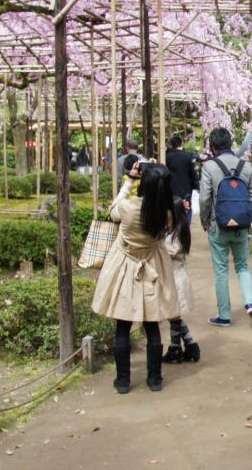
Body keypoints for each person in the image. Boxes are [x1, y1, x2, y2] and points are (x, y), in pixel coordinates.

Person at [91, 162, 181, 394]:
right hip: (153, 267)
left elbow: (111, 211)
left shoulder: (128, 207)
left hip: (125, 268)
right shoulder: (167, 213)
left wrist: (130, 179)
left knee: (123, 325)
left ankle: (122, 381)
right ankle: (154, 379)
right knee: (152, 325)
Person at [199, 127, 252, 327]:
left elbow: (204, 199)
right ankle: (250, 303)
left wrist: (205, 221)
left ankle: (224, 315)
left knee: (221, 270)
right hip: (240, 228)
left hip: (218, 226)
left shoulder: (209, 166)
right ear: (230, 144)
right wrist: (244, 218)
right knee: (243, 266)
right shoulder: (246, 166)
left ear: (213, 146)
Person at [162, 197, 201, 364]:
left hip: (175, 279)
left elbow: (167, 252)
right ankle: (186, 346)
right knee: (174, 316)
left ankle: (178, 348)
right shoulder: (178, 230)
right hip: (175, 277)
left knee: (174, 316)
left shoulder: (173, 236)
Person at [166, 135, 199, 224]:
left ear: (172, 145)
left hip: (172, 188)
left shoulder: (168, 157)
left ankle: (175, 227)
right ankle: (186, 229)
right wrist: (196, 185)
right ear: (182, 143)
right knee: (187, 208)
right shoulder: (188, 156)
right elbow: (193, 172)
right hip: (186, 187)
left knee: (174, 207)